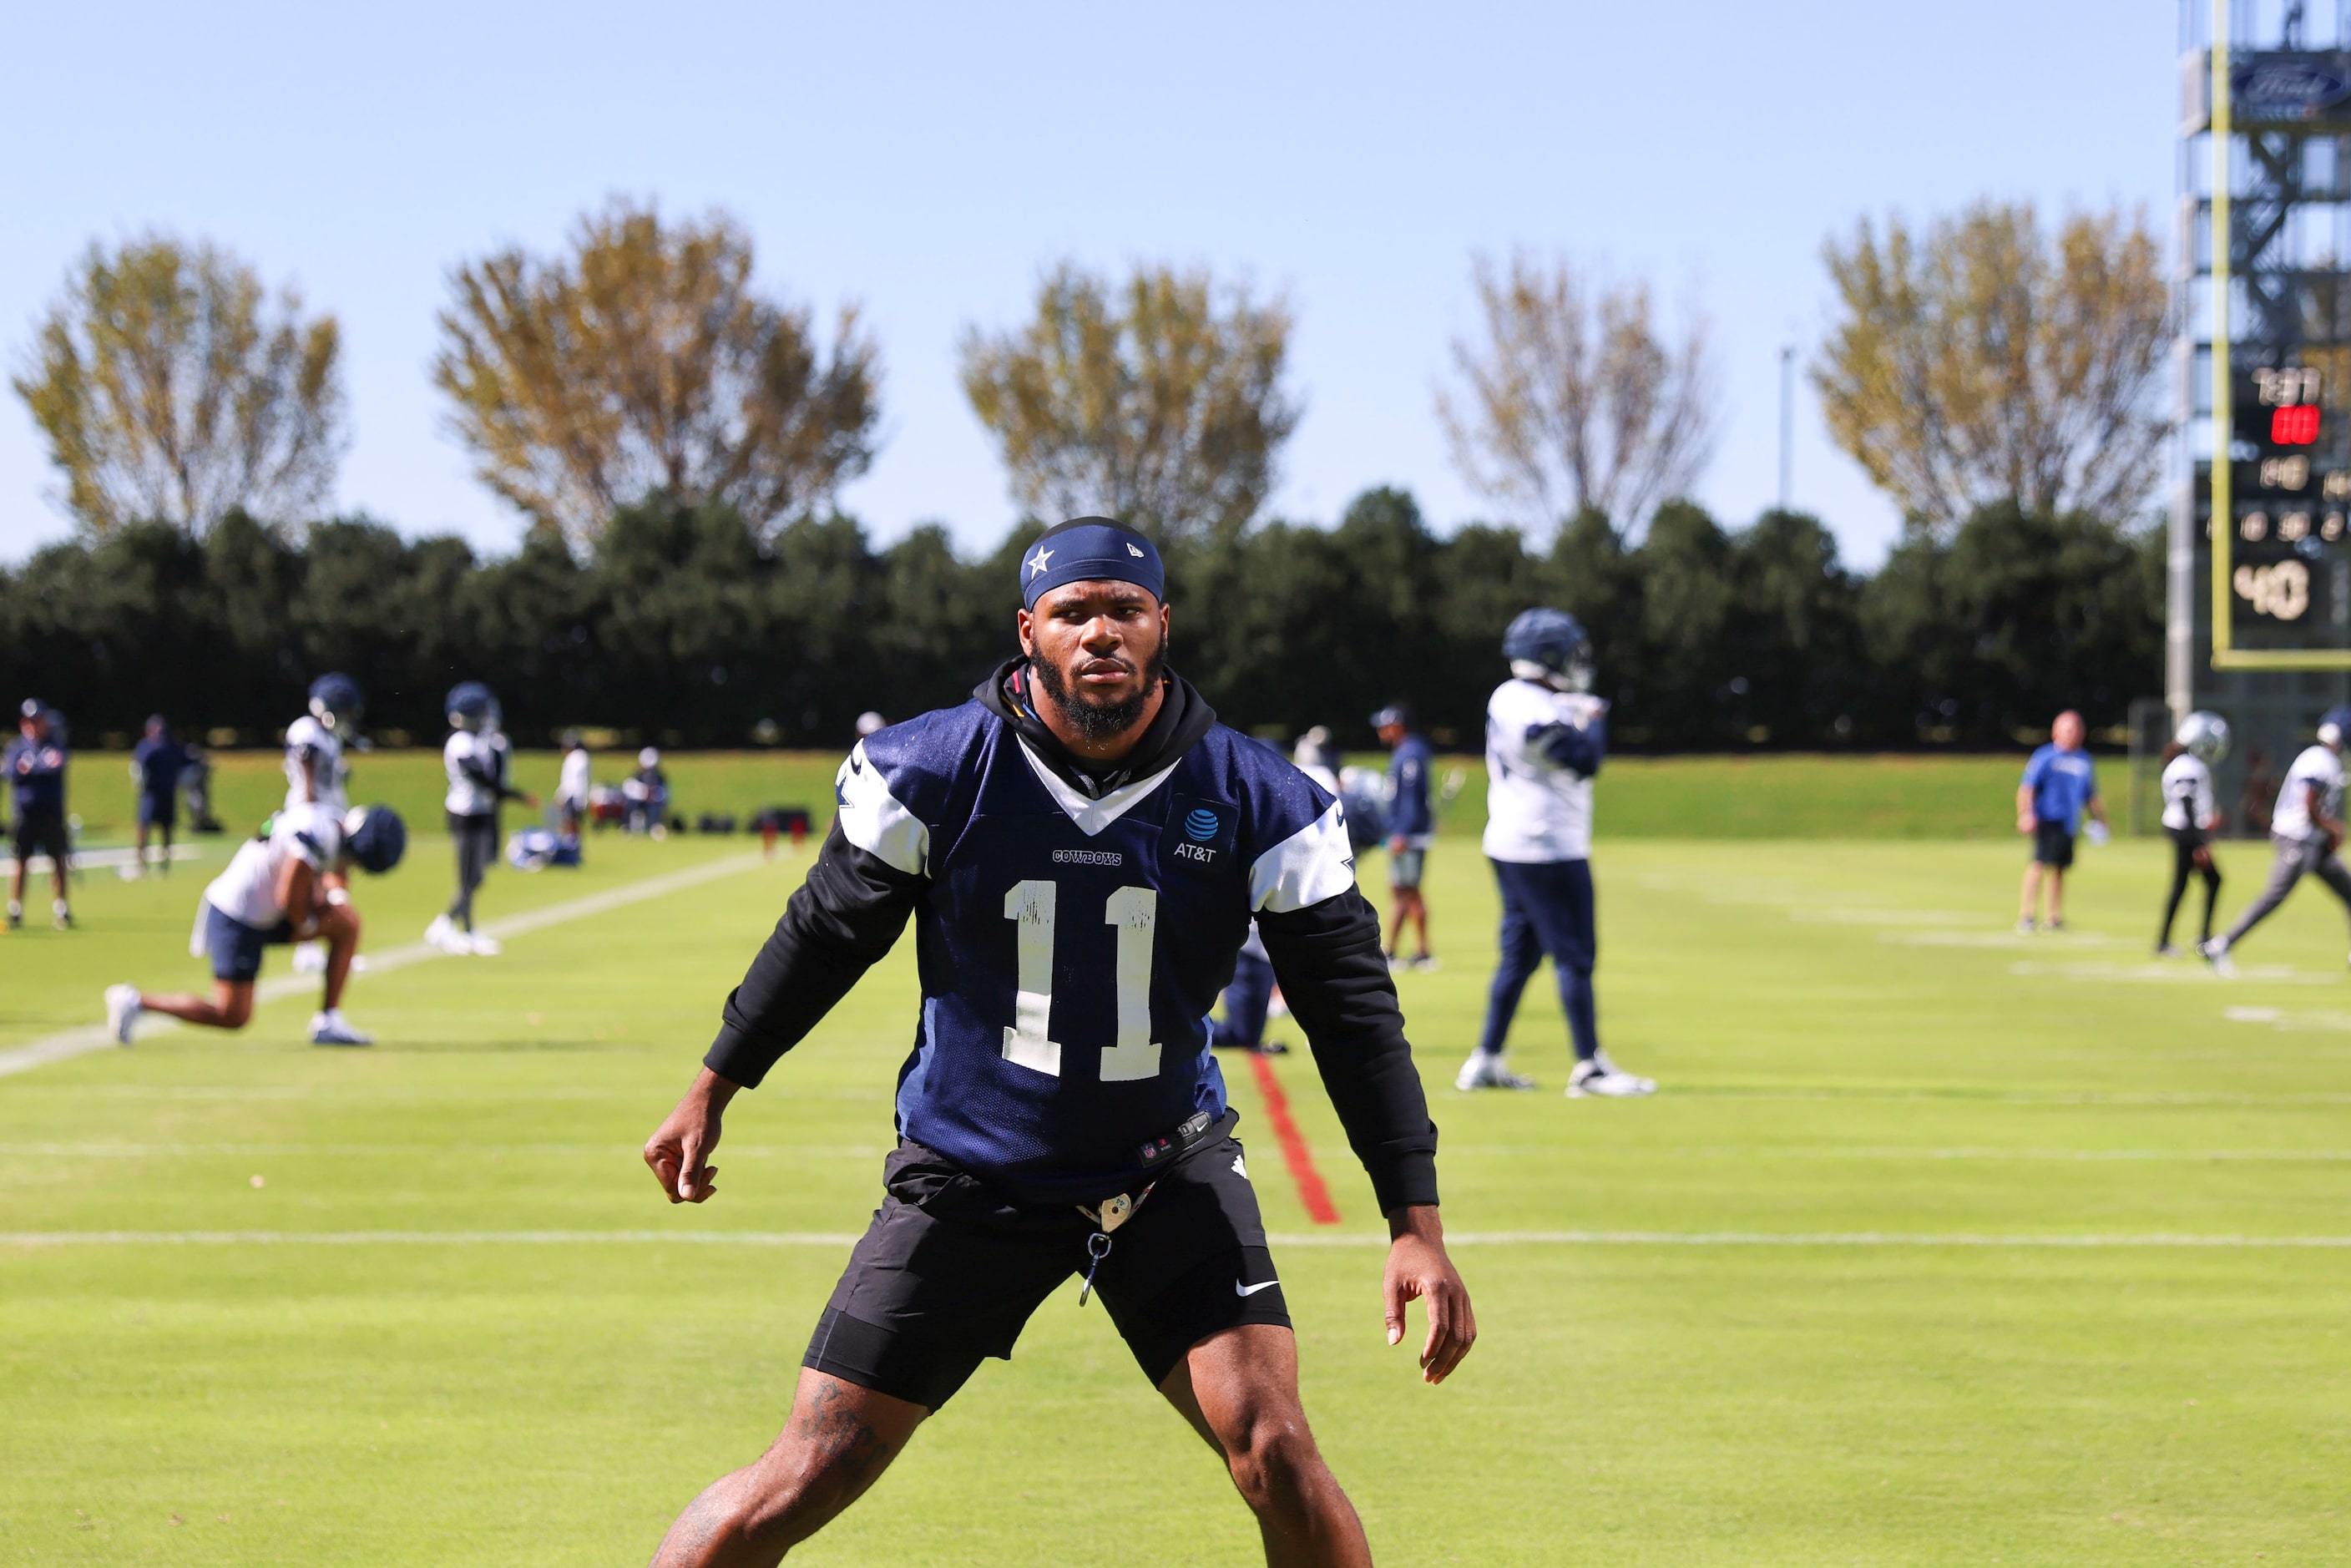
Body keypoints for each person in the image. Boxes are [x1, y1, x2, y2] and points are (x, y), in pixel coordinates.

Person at [639, 515, 1471, 1568]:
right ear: (1028, 629)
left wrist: (1415, 1223)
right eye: (1073, 612)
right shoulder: (939, 767)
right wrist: (716, 1084)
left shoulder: (1258, 799)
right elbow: (826, 934)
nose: (1100, 634)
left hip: (1161, 1168)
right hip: (970, 1172)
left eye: (1124, 609)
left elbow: (1353, 1014)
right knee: (810, 1467)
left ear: (1161, 624)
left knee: (1276, 1453)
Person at [1458, 609, 1656, 1098]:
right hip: (1545, 846)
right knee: (1575, 956)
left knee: (1519, 958)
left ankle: (1485, 1058)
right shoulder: (1526, 703)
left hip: (1516, 841)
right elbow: (1583, 760)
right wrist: (1593, 721)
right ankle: (1589, 1067)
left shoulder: (1518, 697)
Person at [104, 802, 406, 1048]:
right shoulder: (319, 833)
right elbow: (288, 894)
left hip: (267, 911)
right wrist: (311, 924)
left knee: (346, 924)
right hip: (238, 915)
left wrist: (333, 900)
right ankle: (135, 1001)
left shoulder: (332, 826)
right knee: (232, 1014)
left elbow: (330, 869)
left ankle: (328, 1021)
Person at [2202, 706, 2351, 976]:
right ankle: (2220, 945)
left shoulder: (2325, 760)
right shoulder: (2319, 760)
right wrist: (2332, 828)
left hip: (2314, 842)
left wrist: (2327, 832)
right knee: (2274, 896)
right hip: (2297, 840)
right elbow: (2310, 804)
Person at [427, 682, 537, 956]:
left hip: (480, 812)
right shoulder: (460, 743)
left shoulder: (480, 740)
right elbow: (484, 781)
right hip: (465, 813)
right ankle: (460, 930)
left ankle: (451, 926)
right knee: (467, 878)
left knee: (476, 877)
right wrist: (517, 796)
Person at [2015, 711, 2108, 933]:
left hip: (2069, 822)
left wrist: (2100, 819)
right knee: (2038, 864)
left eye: (2076, 729)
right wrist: (2025, 813)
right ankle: (2026, 914)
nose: (2072, 733)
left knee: (2059, 869)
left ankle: (2053, 916)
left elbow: (2090, 794)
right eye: (2068, 729)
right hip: (2047, 818)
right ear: (2056, 731)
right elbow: (2027, 787)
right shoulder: (2045, 756)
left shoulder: (2084, 760)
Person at [2156, 711, 2229, 957]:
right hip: (2186, 833)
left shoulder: (2186, 764)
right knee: (2193, 883)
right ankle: (2192, 938)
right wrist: (2200, 844)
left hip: (2187, 831)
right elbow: (2187, 805)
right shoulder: (2187, 766)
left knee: (2193, 883)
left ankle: (2175, 939)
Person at [1373, 705, 1436, 970]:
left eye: (1384, 726)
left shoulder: (1410, 753)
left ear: (1397, 725)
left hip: (1407, 836)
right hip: (1403, 834)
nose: (1381, 731)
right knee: (1401, 891)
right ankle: (1392, 950)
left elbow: (1410, 799)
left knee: (1409, 891)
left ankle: (1423, 953)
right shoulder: (1406, 750)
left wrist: (1402, 833)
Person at [7, 700, 73, 931]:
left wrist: (31, 769)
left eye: (39, 720)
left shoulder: (55, 743)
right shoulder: (17, 747)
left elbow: (55, 766)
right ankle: (15, 909)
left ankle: (61, 908)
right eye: (32, 721)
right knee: (21, 861)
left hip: (51, 814)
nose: (36, 725)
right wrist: (36, 768)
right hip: (25, 814)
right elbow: (13, 772)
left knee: (57, 860)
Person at [286, 672, 364, 815]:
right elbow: (307, 766)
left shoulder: (330, 737)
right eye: (343, 712)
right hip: (310, 810)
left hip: (330, 808)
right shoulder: (306, 729)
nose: (346, 718)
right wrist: (311, 814)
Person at [129, 715, 193, 877]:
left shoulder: (172, 747)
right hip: (150, 794)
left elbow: (188, 763)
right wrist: (139, 783)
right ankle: (141, 863)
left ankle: (164, 864)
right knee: (144, 827)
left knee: (166, 828)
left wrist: (183, 781)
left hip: (167, 793)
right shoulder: (146, 746)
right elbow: (138, 766)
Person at [553, 730, 594, 839]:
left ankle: (572, 842)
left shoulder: (577, 757)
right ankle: (572, 842)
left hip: (573, 795)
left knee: (571, 821)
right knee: (571, 821)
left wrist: (562, 794)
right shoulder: (580, 757)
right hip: (574, 794)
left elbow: (575, 780)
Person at [623, 746, 670, 836]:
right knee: (632, 804)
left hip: (654, 802)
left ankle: (654, 827)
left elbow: (664, 794)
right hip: (639, 801)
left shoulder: (660, 778)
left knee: (655, 807)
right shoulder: (637, 776)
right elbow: (630, 790)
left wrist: (653, 795)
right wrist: (644, 793)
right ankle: (628, 827)